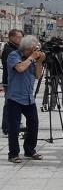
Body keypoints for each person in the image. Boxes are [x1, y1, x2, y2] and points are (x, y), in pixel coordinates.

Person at [6, 35, 45, 163]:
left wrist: (39, 61)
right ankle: (13, 154)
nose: (35, 51)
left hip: (29, 97)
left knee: (34, 123)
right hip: (15, 97)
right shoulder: (14, 55)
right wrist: (31, 58)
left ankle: (29, 150)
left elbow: (38, 76)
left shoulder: (32, 58)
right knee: (14, 127)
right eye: (33, 49)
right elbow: (20, 68)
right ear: (26, 48)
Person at [2, 29, 24, 136]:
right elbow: (10, 66)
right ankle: (7, 127)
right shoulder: (9, 50)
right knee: (9, 104)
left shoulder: (15, 48)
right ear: (11, 37)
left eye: (21, 37)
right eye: (18, 37)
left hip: (13, 80)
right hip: (9, 80)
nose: (20, 39)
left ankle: (14, 124)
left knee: (12, 103)